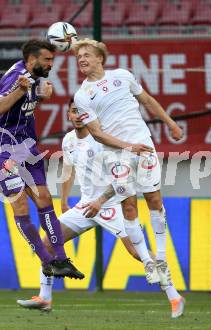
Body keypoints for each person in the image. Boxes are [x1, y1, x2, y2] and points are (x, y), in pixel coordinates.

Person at [17, 98, 184, 319]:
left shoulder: (103, 139)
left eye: (81, 112)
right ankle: (45, 297)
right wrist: (65, 200)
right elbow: (68, 170)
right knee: (48, 243)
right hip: (85, 206)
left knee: (137, 253)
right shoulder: (68, 140)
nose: (77, 115)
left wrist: (101, 200)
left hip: (112, 204)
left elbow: (123, 177)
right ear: (68, 115)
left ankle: (174, 296)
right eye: (73, 112)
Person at [72, 39, 185, 317]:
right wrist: (126, 146)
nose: (82, 59)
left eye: (87, 55)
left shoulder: (123, 76)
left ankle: (159, 257)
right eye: (78, 57)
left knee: (154, 199)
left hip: (143, 143)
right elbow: (97, 133)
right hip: (117, 154)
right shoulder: (82, 95)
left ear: (100, 58)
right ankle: (149, 262)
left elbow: (146, 100)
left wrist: (170, 122)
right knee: (129, 206)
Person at [0, 39, 83, 279]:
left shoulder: (33, 77)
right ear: (32, 61)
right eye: (47, 60)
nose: (52, 64)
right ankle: (46, 260)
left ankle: (61, 259)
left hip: (25, 146)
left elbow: (22, 106)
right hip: (2, 148)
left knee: (44, 199)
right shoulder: (17, 77)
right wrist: (21, 89)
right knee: (20, 204)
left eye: (52, 59)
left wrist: (39, 97)